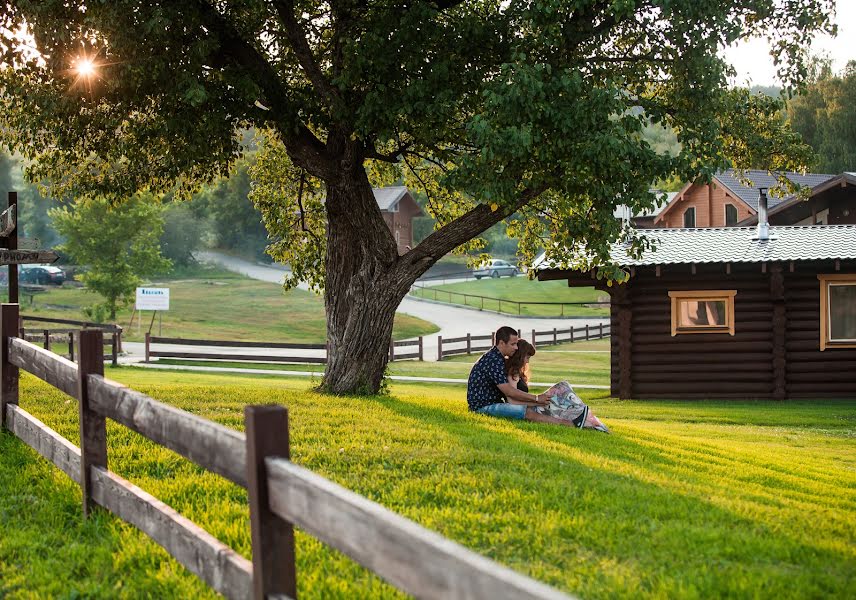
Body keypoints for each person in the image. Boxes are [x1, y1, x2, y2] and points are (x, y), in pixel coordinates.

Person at [467, 326, 573, 426]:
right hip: (482, 407)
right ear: (501, 343)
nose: (516, 347)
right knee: (526, 412)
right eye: (513, 344)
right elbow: (509, 391)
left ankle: (572, 418)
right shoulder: (493, 360)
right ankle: (569, 424)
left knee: (533, 408)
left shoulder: (498, 358)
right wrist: (536, 398)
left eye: (516, 344)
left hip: (491, 403)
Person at [505, 339, 610, 433]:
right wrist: (536, 401)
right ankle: (588, 418)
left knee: (564, 390)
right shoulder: (513, 373)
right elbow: (512, 401)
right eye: (527, 357)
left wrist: (537, 400)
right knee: (562, 388)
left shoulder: (518, 372)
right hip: (528, 408)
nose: (528, 361)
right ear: (520, 356)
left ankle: (587, 417)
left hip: (531, 405)